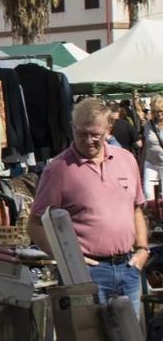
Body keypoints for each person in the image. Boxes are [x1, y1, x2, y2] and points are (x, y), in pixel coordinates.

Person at [29, 98, 150, 315]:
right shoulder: (58, 169)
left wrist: (142, 250)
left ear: (108, 130)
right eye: (82, 133)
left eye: (96, 134)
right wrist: (68, 259)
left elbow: (136, 209)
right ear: (72, 128)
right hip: (86, 273)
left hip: (128, 267)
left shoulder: (126, 160)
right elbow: (35, 225)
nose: (88, 141)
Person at [143, 98, 163, 201]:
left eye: (161, 111)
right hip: (150, 163)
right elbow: (145, 145)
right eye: (155, 111)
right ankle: (152, 215)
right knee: (148, 193)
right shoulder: (148, 125)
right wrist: (141, 162)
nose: (159, 114)